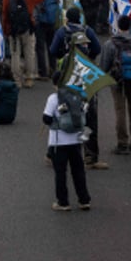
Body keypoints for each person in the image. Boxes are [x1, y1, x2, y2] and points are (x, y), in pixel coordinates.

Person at [43, 78, 91, 211]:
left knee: (60, 173)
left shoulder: (53, 98)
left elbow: (46, 118)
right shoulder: (79, 96)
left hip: (58, 141)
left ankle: (63, 202)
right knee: (78, 171)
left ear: (55, 84)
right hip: (76, 140)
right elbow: (84, 114)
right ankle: (84, 200)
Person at [99, 15, 131, 155]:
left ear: (118, 26)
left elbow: (104, 65)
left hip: (118, 81)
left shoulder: (110, 44)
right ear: (129, 26)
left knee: (120, 110)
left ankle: (122, 142)